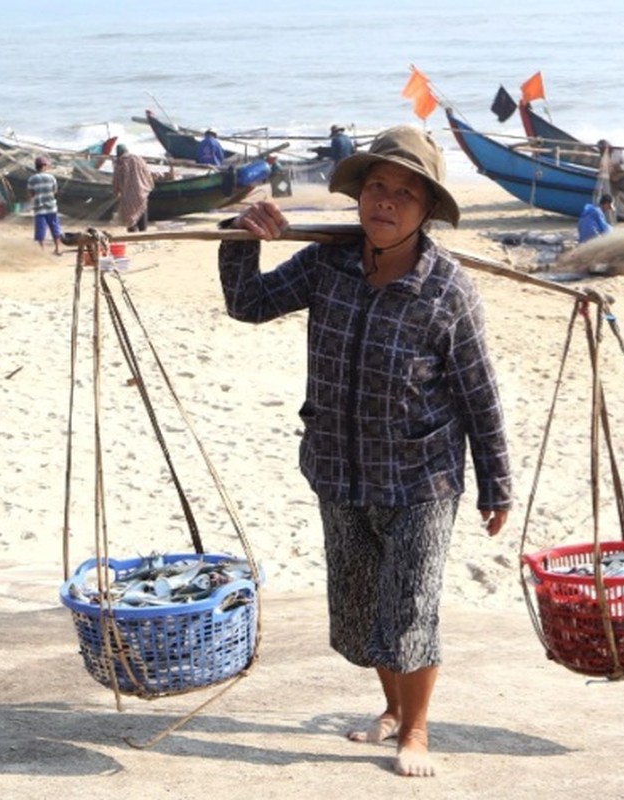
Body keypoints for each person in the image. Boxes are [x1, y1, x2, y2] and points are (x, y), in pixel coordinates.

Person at [218, 126, 511, 778]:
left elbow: (479, 396)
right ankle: (390, 707)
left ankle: (416, 730)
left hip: (422, 476)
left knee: (409, 608)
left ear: (427, 209)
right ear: (360, 194)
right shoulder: (329, 264)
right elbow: (249, 302)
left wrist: (496, 485)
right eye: (377, 186)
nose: (386, 202)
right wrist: (242, 236)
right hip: (339, 467)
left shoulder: (447, 292)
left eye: (405, 194)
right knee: (362, 614)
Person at [112, 144, 155, 232]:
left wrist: (116, 191)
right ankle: (143, 232)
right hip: (142, 192)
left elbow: (116, 179)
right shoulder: (138, 159)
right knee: (142, 210)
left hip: (128, 196)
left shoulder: (120, 162)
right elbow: (147, 173)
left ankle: (133, 234)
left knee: (131, 217)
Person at [27, 156, 62, 255]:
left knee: (40, 231)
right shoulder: (51, 178)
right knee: (55, 228)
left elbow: (31, 193)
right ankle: (57, 249)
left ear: (36, 167)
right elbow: (55, 191)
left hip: (39, 209)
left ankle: (42, 251)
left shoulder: (32, 179)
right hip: (51, 208)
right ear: (44, 166)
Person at [596, 139, 624, 221]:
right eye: (601, 149)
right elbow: (603, 166)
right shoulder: (604, 154)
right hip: (612, 179)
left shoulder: (619, 152)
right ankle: (612, 218)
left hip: (623, 178)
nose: (602, 151)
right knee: (612, 199)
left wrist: (618, 168)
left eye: (603, 148)